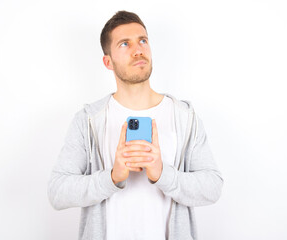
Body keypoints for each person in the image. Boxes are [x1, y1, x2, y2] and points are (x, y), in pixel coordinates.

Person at [47, 10, 224, 240]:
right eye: (124, 44)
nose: (138, 49)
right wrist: (112, 177)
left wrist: (162, 174)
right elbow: (57, 192)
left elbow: (213, 187)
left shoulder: (184, 117)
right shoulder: (89, 120)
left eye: (143, 40)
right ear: (107, 62)